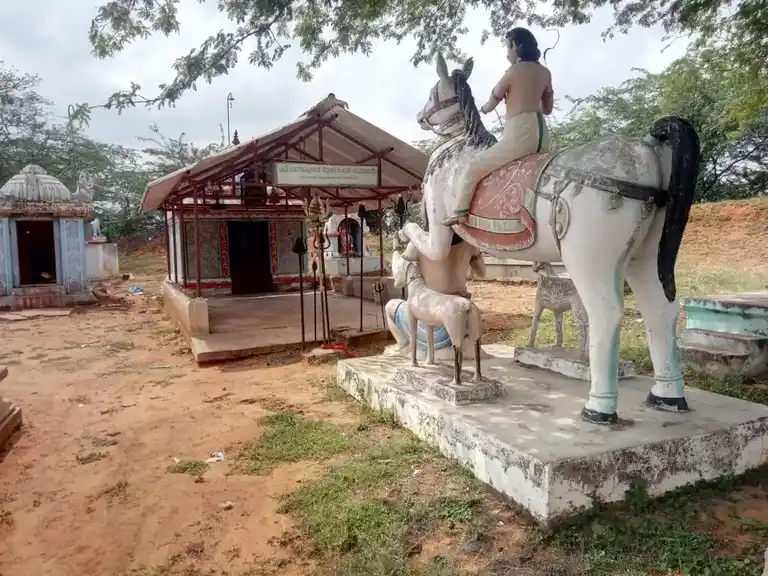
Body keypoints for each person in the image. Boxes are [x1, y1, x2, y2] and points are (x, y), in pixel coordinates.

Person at [443, 27, 554, 226]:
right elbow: (547, 109)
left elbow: (492, 101)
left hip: (519, 134)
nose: (506, 53)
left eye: (507, 47)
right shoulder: (545, 73)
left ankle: (460, 211)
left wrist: (484, 109)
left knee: (474, 166)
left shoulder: (512, 72)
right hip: (542, 136)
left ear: (515, 46)